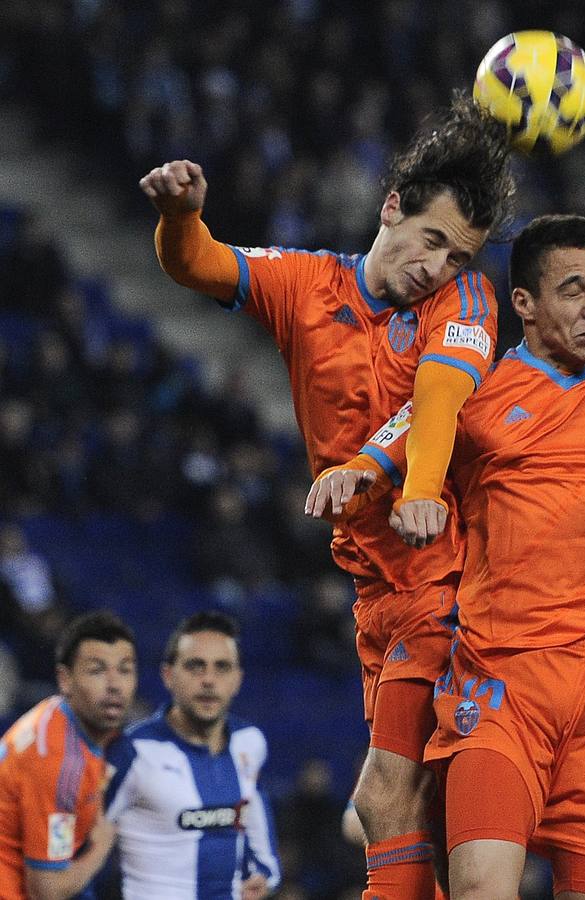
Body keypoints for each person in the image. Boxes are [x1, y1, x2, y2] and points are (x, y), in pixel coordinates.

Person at [139, 92, 515, 900]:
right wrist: (181, 216)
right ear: (391, 208)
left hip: (453, 576)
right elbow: (196, 263)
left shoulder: (468, 304)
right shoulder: (304, 285)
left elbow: (440, 399)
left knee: (386, 798)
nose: (439, 268)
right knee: (404, 812)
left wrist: (415, 488)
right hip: (376, 585)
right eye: (434, 242)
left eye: (458, 256)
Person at [339, 214, 585, 899]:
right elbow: (399, 438)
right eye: (573, 289)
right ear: (524, 304)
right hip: (502, 687)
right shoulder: (477, 393)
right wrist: (363, 471)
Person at [105, 611, 280, 898]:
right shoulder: (131, 751)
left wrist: (263, 877)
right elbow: (79, 848)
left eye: (222, 667)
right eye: (195, 667)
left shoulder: (250, 742)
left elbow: (259, 836)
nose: (209, 680)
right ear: (168, 676)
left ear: (237, 679)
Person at [0, 611, 136, 899]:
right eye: (97, 670)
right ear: (65, 680)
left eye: (124, 670)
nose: (114, 685)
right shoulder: (59, 764)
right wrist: (102, 844)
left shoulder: (63, 715)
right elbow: (46, 892)